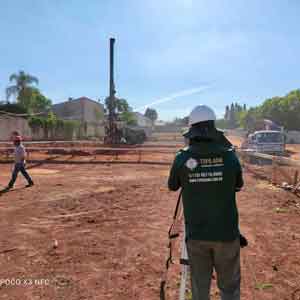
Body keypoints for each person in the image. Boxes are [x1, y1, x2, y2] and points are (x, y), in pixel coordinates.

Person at [168, 105, 244, 300]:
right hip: (227, 234)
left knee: (200, 288)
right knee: (230, 288)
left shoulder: (182, 157)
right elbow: (238, 185)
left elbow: (173, 186)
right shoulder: (230, 155)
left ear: (191, 130)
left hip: (197, 236)